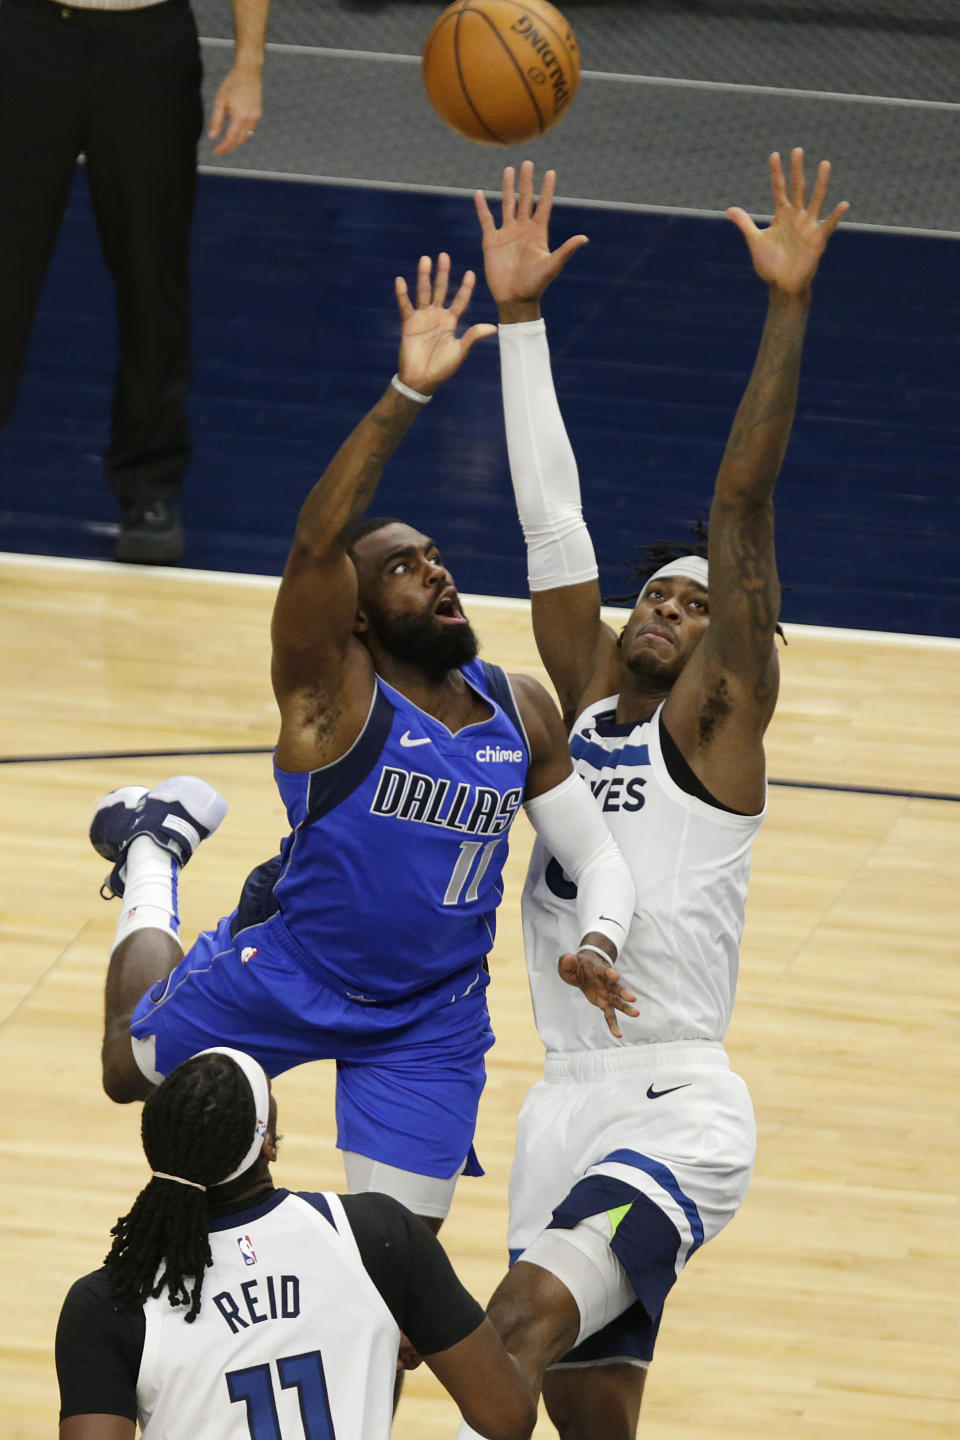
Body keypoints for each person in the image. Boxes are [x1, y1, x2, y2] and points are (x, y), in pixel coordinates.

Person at [87, 252, 636, 1241]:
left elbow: (594, 854)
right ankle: (152, 853)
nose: (435, 573)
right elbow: (314, 545)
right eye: (403, 568)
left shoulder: (519, 709)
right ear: (356, 618)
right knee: (127, 1073)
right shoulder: (329, 701)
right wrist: (404, 394)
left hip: (429, 1017)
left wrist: (597, 941)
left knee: (397, 1287)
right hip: (294, 972)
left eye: (436, 558)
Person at [453, 153, 850, 1439]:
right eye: (657, 597)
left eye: (696, 603)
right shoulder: (584, 709)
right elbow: (549, 518)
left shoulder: (719, 725)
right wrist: (519, 324)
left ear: (732, 636)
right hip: (559, 1096)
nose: (671, 610)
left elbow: (742, 506)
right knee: (586, 1419)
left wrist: (785, 304)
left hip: (677, 1103)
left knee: (500, 1343)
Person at [55, 1046, 538, 1439]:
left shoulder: (107, 1303)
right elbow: (508, 1416)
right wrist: (415, 1322)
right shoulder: (377, 1236)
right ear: (268, 1145)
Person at [0, 0, 270, 565]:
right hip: (26, 33)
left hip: (148, 44)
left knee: (154, 281)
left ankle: (150, 488)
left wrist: (249, 65)